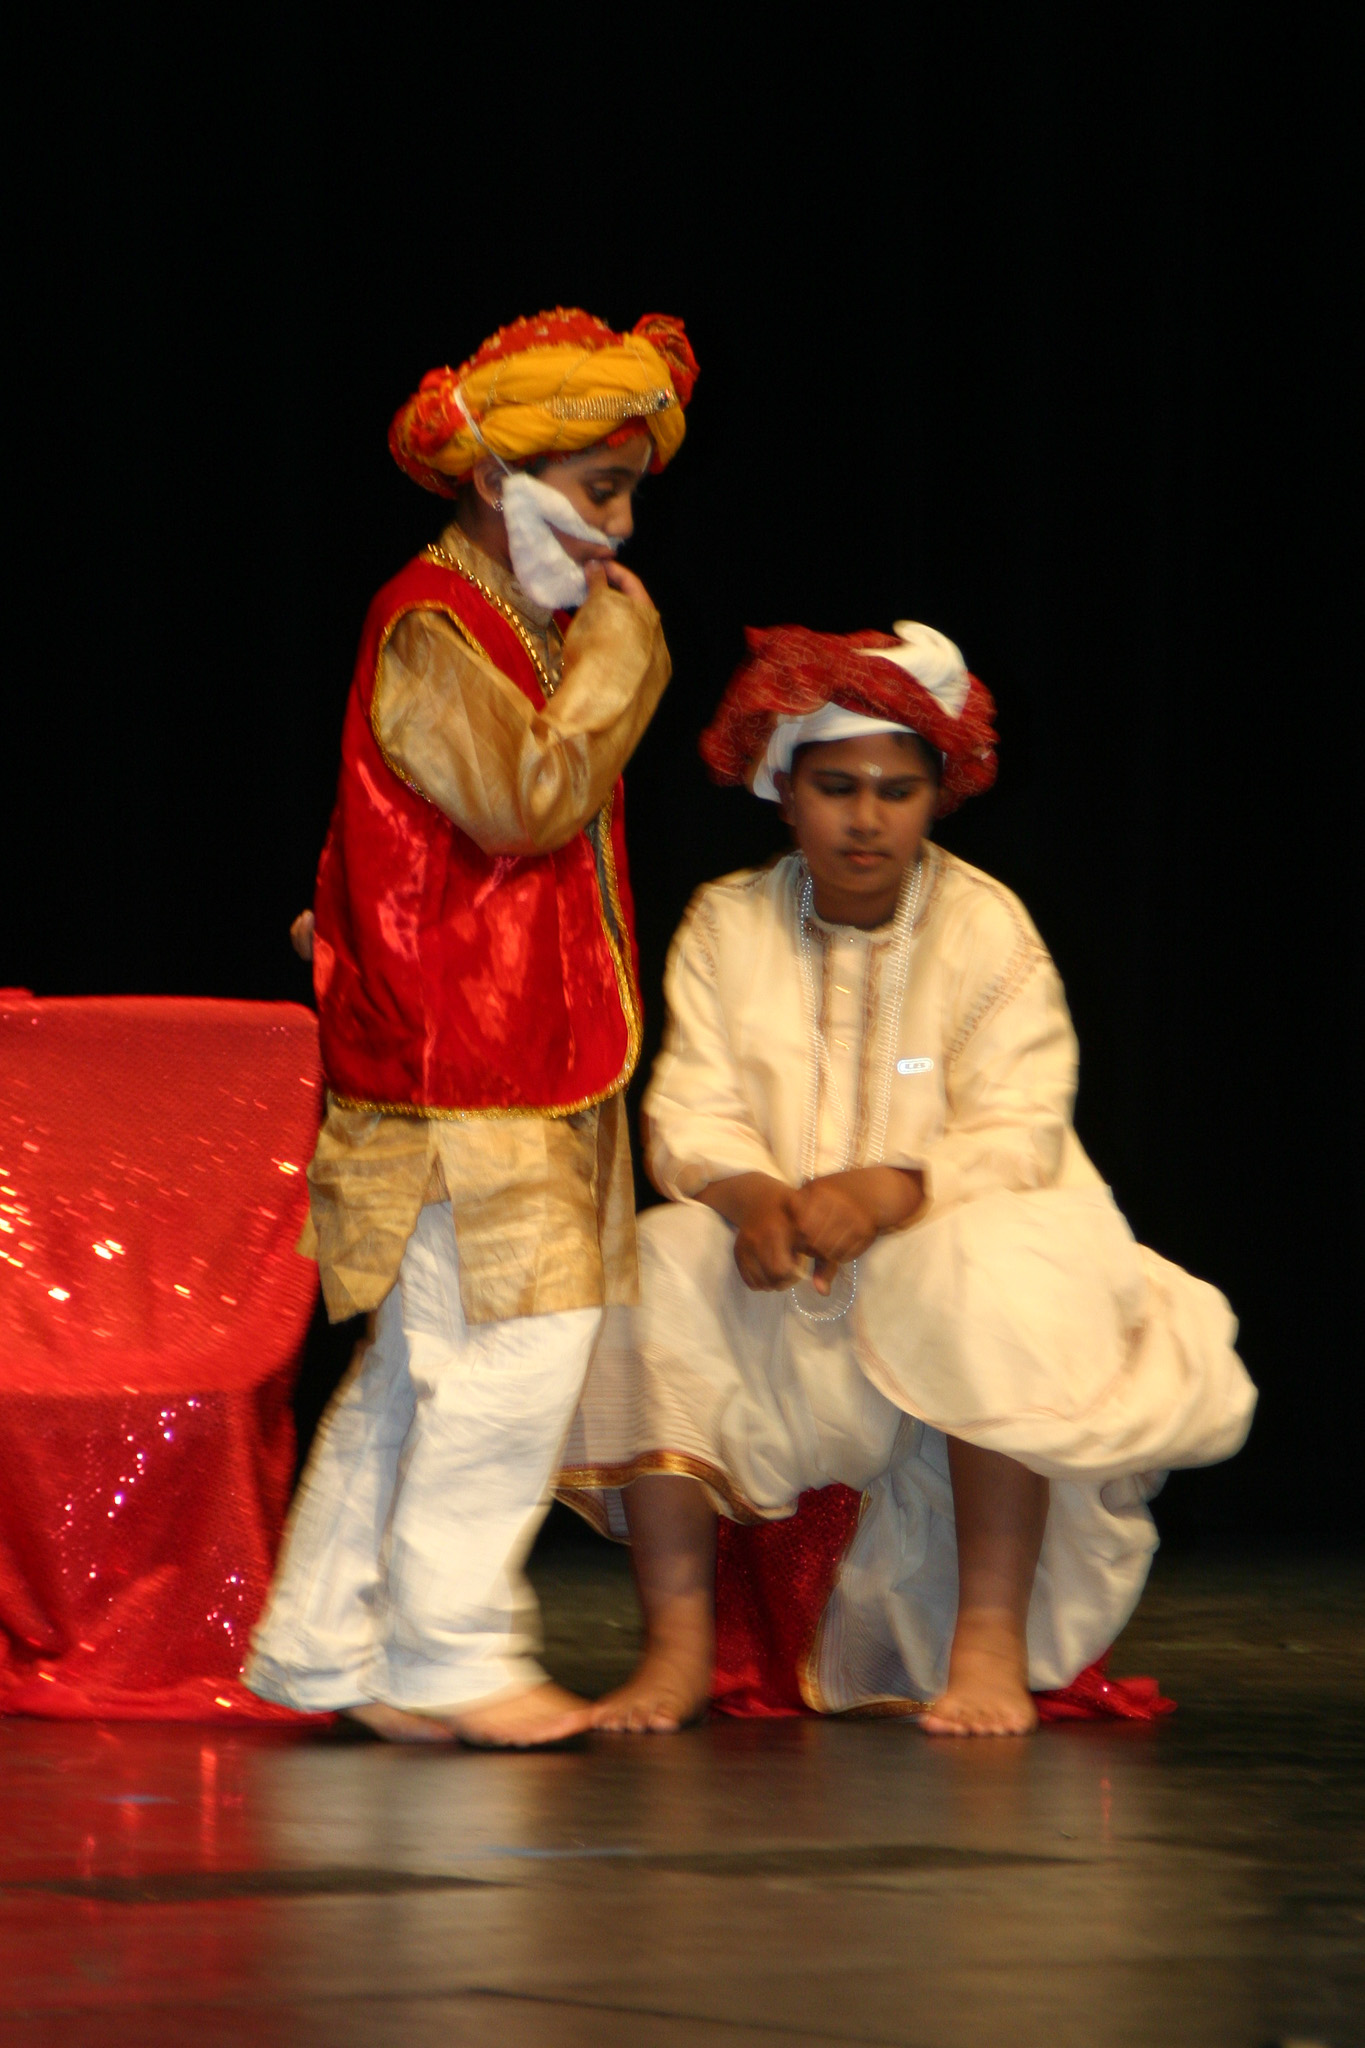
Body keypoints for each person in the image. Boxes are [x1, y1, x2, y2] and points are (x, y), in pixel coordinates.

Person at [559, 620, 1256, 1736]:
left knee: (989, 1267)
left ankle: (986, 1642)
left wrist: (890, 1192)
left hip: (951, 1239)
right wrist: (747, 1196)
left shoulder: (985, 924)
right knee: (654, 1259)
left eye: (897, 790)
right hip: (783, 1260)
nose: (866, 817)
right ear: (785, 793)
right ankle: (677, 1648)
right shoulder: (726, 922)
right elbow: (690, 1107)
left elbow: (1022, 1119)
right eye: (836, 787)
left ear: (937, 798)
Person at [245, 307, 698, 1746]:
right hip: (466, 1065)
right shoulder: (438, 622)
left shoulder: (510, 623)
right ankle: (447, 1648)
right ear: (501, 481)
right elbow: (524, 801)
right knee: (521, 1343)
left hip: (493, 1054)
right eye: (600, 492)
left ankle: (332, 1643)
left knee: (427, 1362)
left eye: (628, 495)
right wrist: (628, 658)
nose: (620, 530)